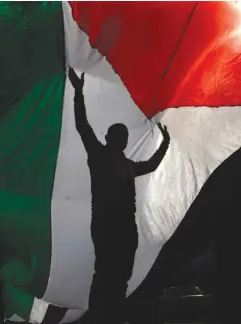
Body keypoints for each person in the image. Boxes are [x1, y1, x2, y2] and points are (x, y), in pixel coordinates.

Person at [68, 68, 171, 324]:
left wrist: (165, 144)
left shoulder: (127, 165)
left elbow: (150, 166)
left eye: (125, 136)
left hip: (126, 224)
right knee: (105, 272)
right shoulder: (99, 155)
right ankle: (99, 316)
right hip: (106, 222)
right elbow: (82, 125)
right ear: (109, 137)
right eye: (119, 135)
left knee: (121, 274)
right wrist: (78, 92)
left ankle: (113, 313)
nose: (123, 139)